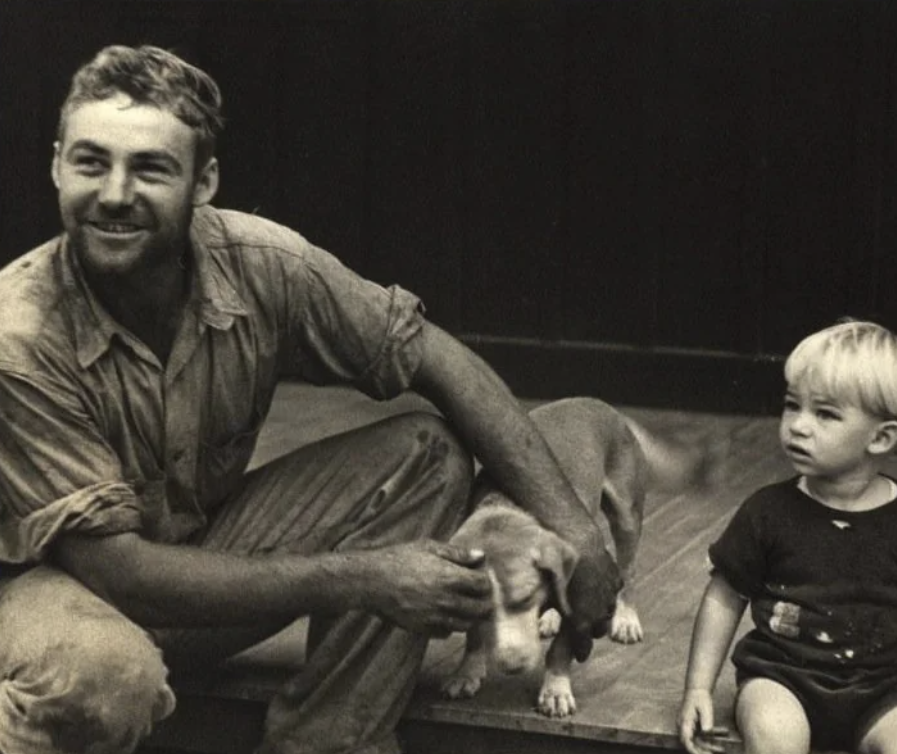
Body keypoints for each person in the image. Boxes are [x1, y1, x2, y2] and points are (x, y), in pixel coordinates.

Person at [0, 44, 621, 754]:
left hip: (190, 566)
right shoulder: (17, 335)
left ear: (203, 182)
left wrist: (575, 530)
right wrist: (365, 578)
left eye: (149, 167)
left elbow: (438, 359)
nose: (113, 193)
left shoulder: (263, 262)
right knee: (106, 676)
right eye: (90, 162)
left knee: (426, 453)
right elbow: (121, 573)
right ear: (55, 164)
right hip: (45, 599)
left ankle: (328, 742)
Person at [677, 319, 897, 754]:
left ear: (881, 437)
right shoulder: (768, 511)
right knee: (777, 734)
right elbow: (724, 596)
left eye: (824, 413)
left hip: (880, 690)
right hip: (781, 680)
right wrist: (697, 688)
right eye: (792, 406)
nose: (798, 425)